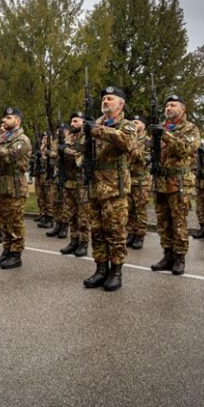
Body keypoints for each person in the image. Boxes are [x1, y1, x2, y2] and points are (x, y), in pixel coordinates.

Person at [82, 87, 135, 291]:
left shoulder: (127, 125)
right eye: (103, 98)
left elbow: (127, 142)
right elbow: (84, 150)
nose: (105, 101)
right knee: (96, 231)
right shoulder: (93, 125)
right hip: (95, 187)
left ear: (120, 104)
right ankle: (101, 269)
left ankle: (116, 272)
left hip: (115, 188)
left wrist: (96, 130)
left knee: (115, 232)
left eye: (110, 98)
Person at [149, 95, 200, 275]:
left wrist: (164, 135)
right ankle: (167, 254)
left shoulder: (191, 128)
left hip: (178, 182)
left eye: (173, 105)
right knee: (163, 222)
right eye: (167, 105)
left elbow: (185, 149)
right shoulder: (159, 127)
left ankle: (179, 257)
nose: (168, 107)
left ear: (182, 109)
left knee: (178, 222)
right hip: (160, 182)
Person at [0, 107, 32, 269]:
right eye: (4, 118)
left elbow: (8, 156)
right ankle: (6, 251)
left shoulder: (22, 140)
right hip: (1, 185)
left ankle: (16, 254)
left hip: (15, 186)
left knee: (15, 222)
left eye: (8, 118)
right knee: (4, 221)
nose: (4, 121)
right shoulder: (2, 138)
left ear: (17, 121)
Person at [60, 112, 90, 257]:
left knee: (83, 215)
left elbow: (81, 159)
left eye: (76, 121)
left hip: (82, 182)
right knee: (71, 213)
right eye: (71, 121)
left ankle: (83, 243)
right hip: (69, 181)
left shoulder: (87, 138)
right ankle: (73, 240)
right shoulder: (68, 138)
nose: (73, 124)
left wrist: (67, 151)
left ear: (83, 123)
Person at [126, 115, 151, 249]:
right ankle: (130, 233)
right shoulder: (129, 137)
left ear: (143, 126)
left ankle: (140, 235)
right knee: (129, 209)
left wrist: (132, 147)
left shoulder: (147, 140)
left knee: (140, 209)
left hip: (141, 180)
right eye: (132, 122)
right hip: (129, 179)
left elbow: (144, 157)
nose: (134, 124)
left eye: (137, 122)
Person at [36, 132, 55, 228]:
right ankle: (43, 215)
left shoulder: (52, 149)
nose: (44, 140)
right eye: (43, 138)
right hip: (42, 176)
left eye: (46, 138)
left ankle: (50, 218)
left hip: (50, 177)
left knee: (49, 198)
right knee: (42, 196)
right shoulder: (42, 150)